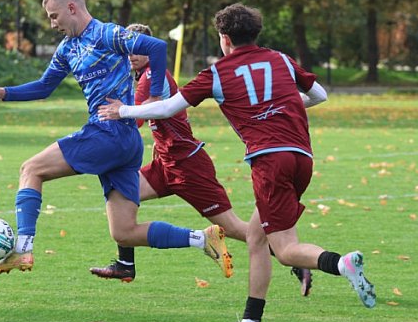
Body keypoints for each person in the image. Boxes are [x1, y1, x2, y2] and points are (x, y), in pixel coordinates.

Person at [98, 3, 376, 322]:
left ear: (224, 38)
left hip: (268, 162)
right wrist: (281, 106)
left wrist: (122, 110)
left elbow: (168, 107)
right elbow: (319, 95)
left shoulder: (217, 73)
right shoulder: (281, 59)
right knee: (256, 238)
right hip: (302, 157)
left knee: (285, 248)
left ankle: (340, 263)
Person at [0, 0, 232, 278]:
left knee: (31, 169)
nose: (52, 24)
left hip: (108, 133)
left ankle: (23, 249)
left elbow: (156, 47)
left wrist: (154, 97)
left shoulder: (106, 34)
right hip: (126, 143)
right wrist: (2, 93)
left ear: (72, 8)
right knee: (124, 232)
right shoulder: (68, 48)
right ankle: (203, 239)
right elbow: (44, 86)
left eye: (54, 16)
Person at [90, 23, 313, 297]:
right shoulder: (143, 76)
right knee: (120, 191)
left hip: (188, 166)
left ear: (149, 50)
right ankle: (126, 263)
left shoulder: (151, 77)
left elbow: (133, 119)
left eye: (138, 49)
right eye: (128, 50)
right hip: (166, 163)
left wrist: (106, 124)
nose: (132, 55)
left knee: (234, 228)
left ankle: (294, 258)